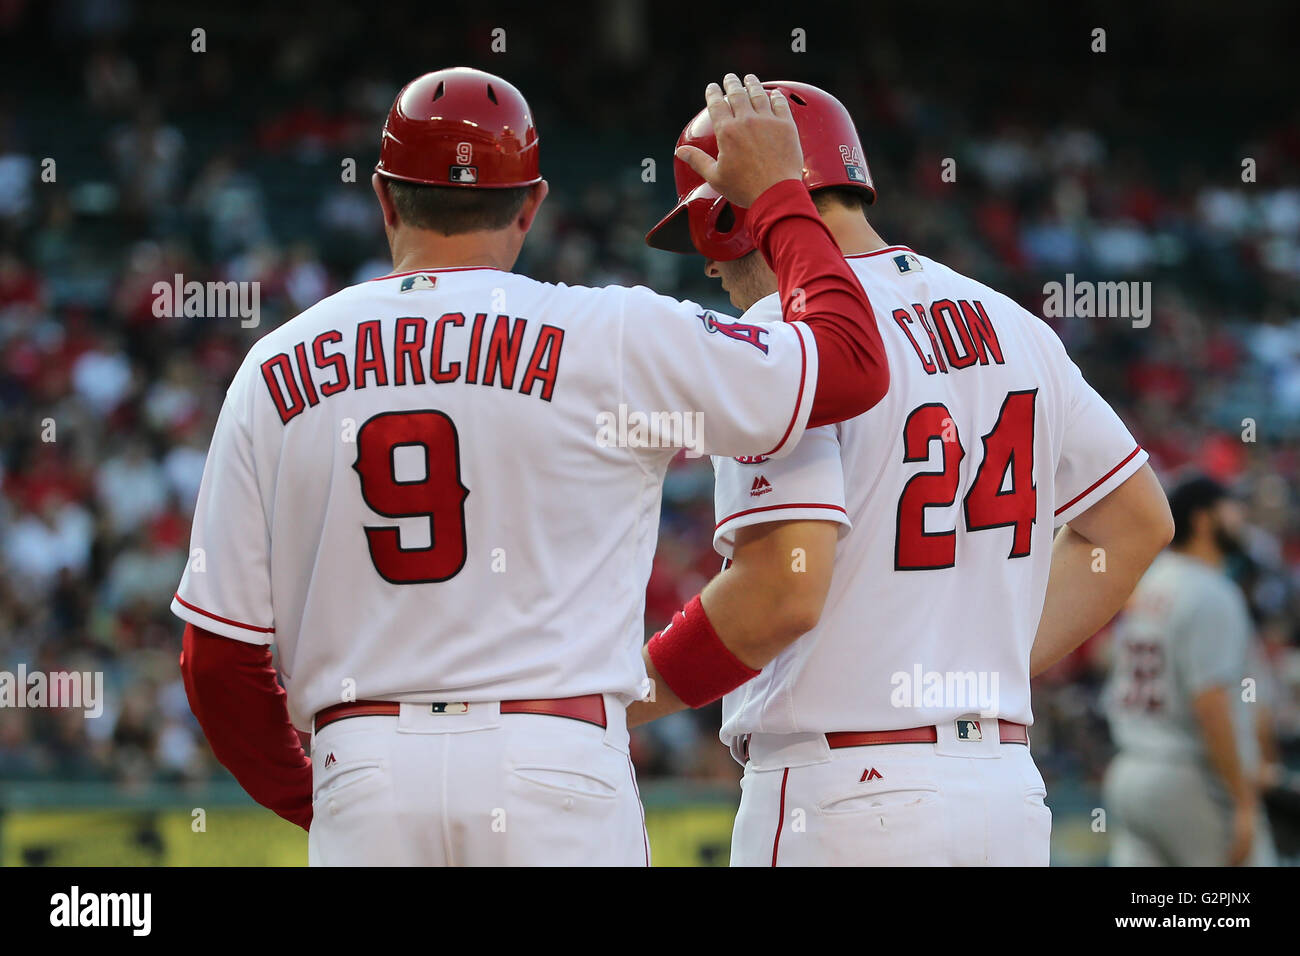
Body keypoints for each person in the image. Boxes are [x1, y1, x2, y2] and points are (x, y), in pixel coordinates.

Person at [172, 68, 892, 866]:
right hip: (556, 764)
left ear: (384, 198)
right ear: (532, 205)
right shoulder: (613, 331)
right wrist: (780, 196)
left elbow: (218, 662)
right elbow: (854, 362)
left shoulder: (275, 366)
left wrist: (328, 800)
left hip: (365, 763)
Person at [629, 80, 1173, 866]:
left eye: (705, 237)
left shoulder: (784, 337)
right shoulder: (1011, 320)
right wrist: (977, 665)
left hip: (846, 793)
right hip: (1002, 792)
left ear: (734, 209)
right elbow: (1136, 524)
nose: (711, 271)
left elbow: (778, 593)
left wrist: (618, 698)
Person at [1102, 474, 1277, 866]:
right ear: (1202, 520)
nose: (1240, 517)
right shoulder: (1211, 592)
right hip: (1189, 777)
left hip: (1131, 768)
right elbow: (1210, 702)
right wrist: (1243, 800)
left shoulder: (1146, 586)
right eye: (1230, 508)